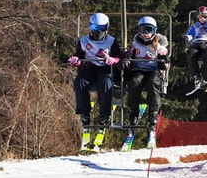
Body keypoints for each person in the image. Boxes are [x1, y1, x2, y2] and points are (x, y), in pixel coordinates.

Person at [70, 12, 122, 127]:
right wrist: (76, 60)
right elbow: (79, 55)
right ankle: (84, 113)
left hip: (105, 68)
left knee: (106, 83)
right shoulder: (84, 41)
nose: (98, 31)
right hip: (89, 67)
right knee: (79, 83)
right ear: (90, 27)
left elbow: (118, 56)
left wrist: (113, 60)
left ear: (106, 28)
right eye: (95, 28)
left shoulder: (111, 41)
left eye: (101, 28)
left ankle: (105, 114)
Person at [124, 16, 169, 148]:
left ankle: (152, 121)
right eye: (143, 29)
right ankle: (133, 117)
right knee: (133, 83)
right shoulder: (135, 43)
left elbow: (164, 58)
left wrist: (163, 61)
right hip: (139, 70)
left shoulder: (159, 44)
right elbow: (129, 55)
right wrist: (126, 61)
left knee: (153, 83)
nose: (145, 33)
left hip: (153, 71)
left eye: (149, 29)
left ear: (154, 30)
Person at [184, 6, 207, 91]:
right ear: (198, 17)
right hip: (196, 44)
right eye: (200, 17)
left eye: (204, 17)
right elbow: (190, 34)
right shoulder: (195, 26)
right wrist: (187, 38)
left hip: (206, 44)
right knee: (190, 53)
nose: (202, 19)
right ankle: (197, 77)